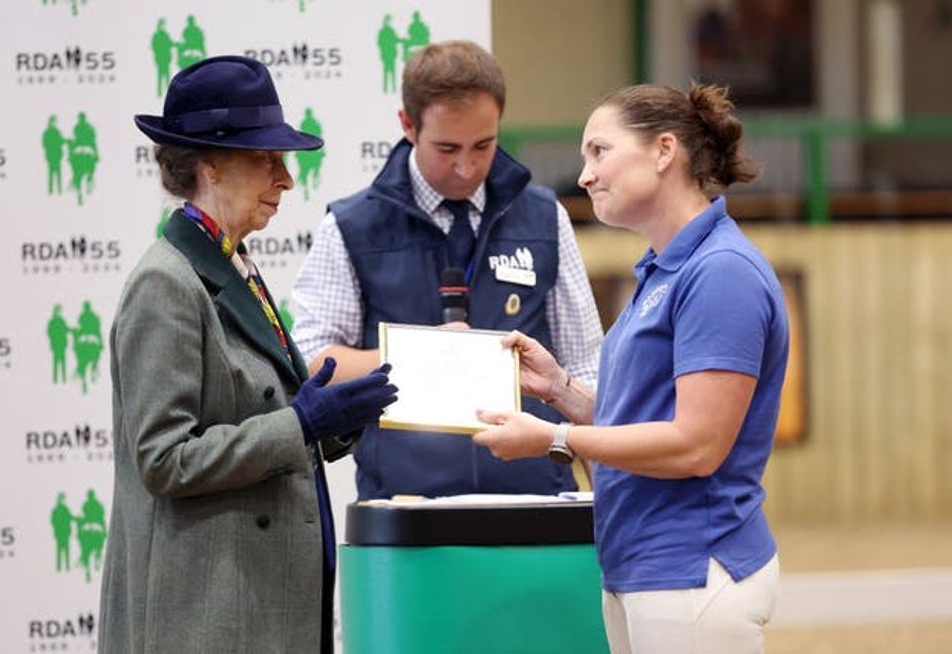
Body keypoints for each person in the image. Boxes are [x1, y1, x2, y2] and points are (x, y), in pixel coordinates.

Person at [473, 83, 788, 653]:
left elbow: (696, 445)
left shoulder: (720, 273)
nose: (586, 174)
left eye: (600, 151)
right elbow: (650, 417)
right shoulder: (667, 269)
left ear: (665, 151)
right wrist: (563, 391)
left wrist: (556, 438)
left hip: (690, 567)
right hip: (644, 567)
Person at [99, 55, 397, 654]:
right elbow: (164, 459)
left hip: (251, 608)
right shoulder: (168, 282)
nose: (286, 179)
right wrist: (301, 423)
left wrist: (336, 423)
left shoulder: (231, 262)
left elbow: (256, 416)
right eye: (266, 160)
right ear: (208, 164)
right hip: (207, 618)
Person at [291, 40, 602, 500]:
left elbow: (584, 365)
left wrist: (608, 500)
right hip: (404, 510)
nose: (465, 167)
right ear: (407, 126)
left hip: (536, 503)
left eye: (483, 145)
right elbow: (313, 359)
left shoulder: (543, 215)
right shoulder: (353, 225)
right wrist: (427, 356)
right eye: (446, 147)